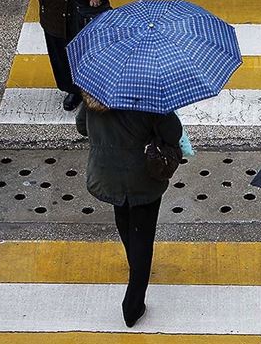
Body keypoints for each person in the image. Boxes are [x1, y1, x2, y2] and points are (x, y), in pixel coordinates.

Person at [76, 92, 182, 327]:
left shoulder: (95, 94)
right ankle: (132, 306)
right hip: (142, 179)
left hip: (107, 175)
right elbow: (173, 133)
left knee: (123, 219)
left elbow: (82, 126)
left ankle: (135, 262)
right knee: (143, 238)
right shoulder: (149, 97)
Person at [34, 0, 114, 111]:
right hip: (54, 8)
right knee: (61, 53)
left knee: (92, 51)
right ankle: (74, 90)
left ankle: (98, 89)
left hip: (86, 6)